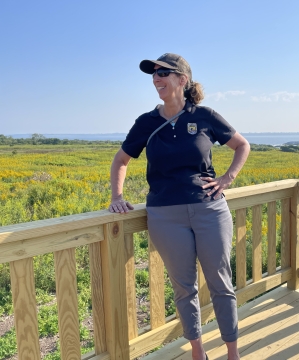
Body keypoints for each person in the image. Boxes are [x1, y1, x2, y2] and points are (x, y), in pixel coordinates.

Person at [109, 53, 250, 360]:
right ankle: (198, 352)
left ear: (182, 80)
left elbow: (242, 145)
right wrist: (117, 197)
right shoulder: (146, 122)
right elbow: (121, 160)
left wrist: (227, 178)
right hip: (165, 215)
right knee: (184, 288)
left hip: (209, 209)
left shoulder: (204, 115)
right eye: (154, 74)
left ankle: (232, 353)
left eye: (163, 73)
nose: (156, 79)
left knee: (221, 283)